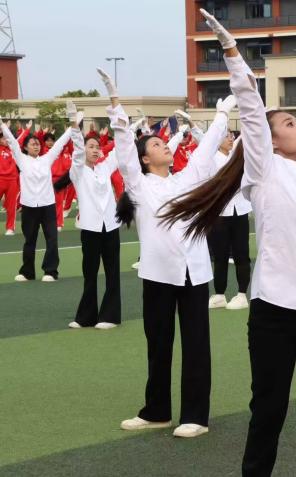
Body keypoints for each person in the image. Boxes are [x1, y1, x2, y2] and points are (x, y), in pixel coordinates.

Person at [162, 11, 296, 474]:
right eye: (290, 123)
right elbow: (251, 109)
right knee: (269, 410)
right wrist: (232, 53)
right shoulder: (264, 169)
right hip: (276, 311)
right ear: (270, 141)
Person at [97, 67, 236, 439]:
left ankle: (196, 416)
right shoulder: (139, 186)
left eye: (164, 143)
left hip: (194, 274)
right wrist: (115, 104)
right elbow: (124, 149)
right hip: (158, 275)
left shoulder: (188, 179)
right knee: (158, 345)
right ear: (145, 159)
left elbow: (206, 150)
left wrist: (223, 114)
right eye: (157, 145)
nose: (165, 146)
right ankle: (156, 411)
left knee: (196, 346)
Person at [62, 102, 122, 330]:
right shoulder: (77, 171)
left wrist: (120, 122)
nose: (96, 150)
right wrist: (73, 123)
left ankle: (110, 316)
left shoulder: (104, 168)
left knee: (113, 273)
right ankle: (85, 317)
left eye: (98, 147)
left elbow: (119, 150)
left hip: (111, 228)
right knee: (90, 274)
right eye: (91, 147)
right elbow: (77, 150)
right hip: (90, 229)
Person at [1, 117, 73, 282]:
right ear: (25, 147)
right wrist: (2, 125)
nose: (36, 146)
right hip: (29, 207)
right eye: (33, 144)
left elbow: (60, 143)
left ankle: (51, 271)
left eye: (38, 144)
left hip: (48, 206)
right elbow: (11, 141)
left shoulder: (46, 159)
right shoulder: (21, 159)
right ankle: (27, 272)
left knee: (52, 239)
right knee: (29, 241)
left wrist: (73, 127)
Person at [207, 132, 252, 310]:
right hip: (220, 213)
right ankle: (219, 295)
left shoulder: (239, 157)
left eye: (232, 136)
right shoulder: (212, 159)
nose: (231, 139)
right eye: (226, 136)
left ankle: (242, 295)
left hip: (240, 210)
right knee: (220, 256)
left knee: (242, 254)